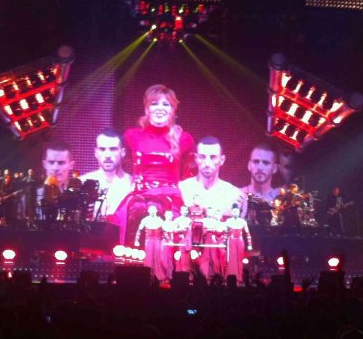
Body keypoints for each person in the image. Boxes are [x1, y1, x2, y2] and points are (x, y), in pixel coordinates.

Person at [114, 85, 195, 243]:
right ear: (146, 108)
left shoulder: (184, 139)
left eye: (166, 104)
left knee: (161, 215)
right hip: (139, 197)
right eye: (154, 103)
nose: (160, 108)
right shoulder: (132, 136)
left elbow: (190, 175)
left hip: (170, 198)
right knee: (137, 210)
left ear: (173, 110)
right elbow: (119, 168)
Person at [178, 136, 246, 218]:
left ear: (222, 160)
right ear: (196, 158)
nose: (207, 163)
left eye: (213, 157)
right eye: (202, 157)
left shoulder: (234, 195)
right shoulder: (181, 189)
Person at [80, 128, 133, 218]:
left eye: (113, 149)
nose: (107, 155)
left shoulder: (133, 185)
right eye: (102, 149)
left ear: (123, 152)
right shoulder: (83, 183)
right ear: (96, 153)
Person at [38, 141, 75, 221]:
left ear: (71, 165)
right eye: (51, 162)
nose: (55, 168)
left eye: (61, 163)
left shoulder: (80, 196)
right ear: (44, 164)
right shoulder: (33, 196)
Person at [134, 204, 166, 281]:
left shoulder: (160, 220)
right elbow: (139, 230)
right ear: (148, 211)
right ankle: (147, 274)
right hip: (148, 241)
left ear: (156, 211)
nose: (152, 211)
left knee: (157, 257)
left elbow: (165, 231)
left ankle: (158, 274)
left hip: (157, 241)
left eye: (154, 210)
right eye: (151, 210)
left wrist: (165, 240)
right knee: (149, 257)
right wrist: (136, 240)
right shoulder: (145, 220)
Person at [224, 204, 252, 280]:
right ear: (232, 212)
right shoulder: (228, 221)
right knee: (232, 259)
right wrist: (223, 242)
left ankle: (239, 277)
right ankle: (231, 275)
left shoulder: (243, 221)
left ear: (239, 212)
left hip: (240, 241)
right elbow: (226, 233)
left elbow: (248, 234)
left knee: (240, 258)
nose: (235, 213)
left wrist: (250, 244)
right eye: (234, 211)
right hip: (231, 241)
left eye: (237, 211)